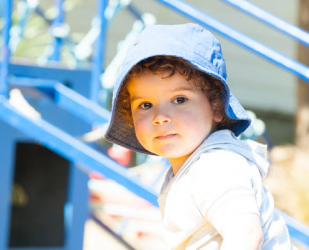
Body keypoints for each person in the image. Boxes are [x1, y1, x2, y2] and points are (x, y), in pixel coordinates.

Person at [104, 23, 294, 249]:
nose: (160, 117)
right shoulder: (193, 168)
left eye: (179, 100)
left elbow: (246, 237)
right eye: (146, 105)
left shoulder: (215, 166)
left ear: (216, 107)